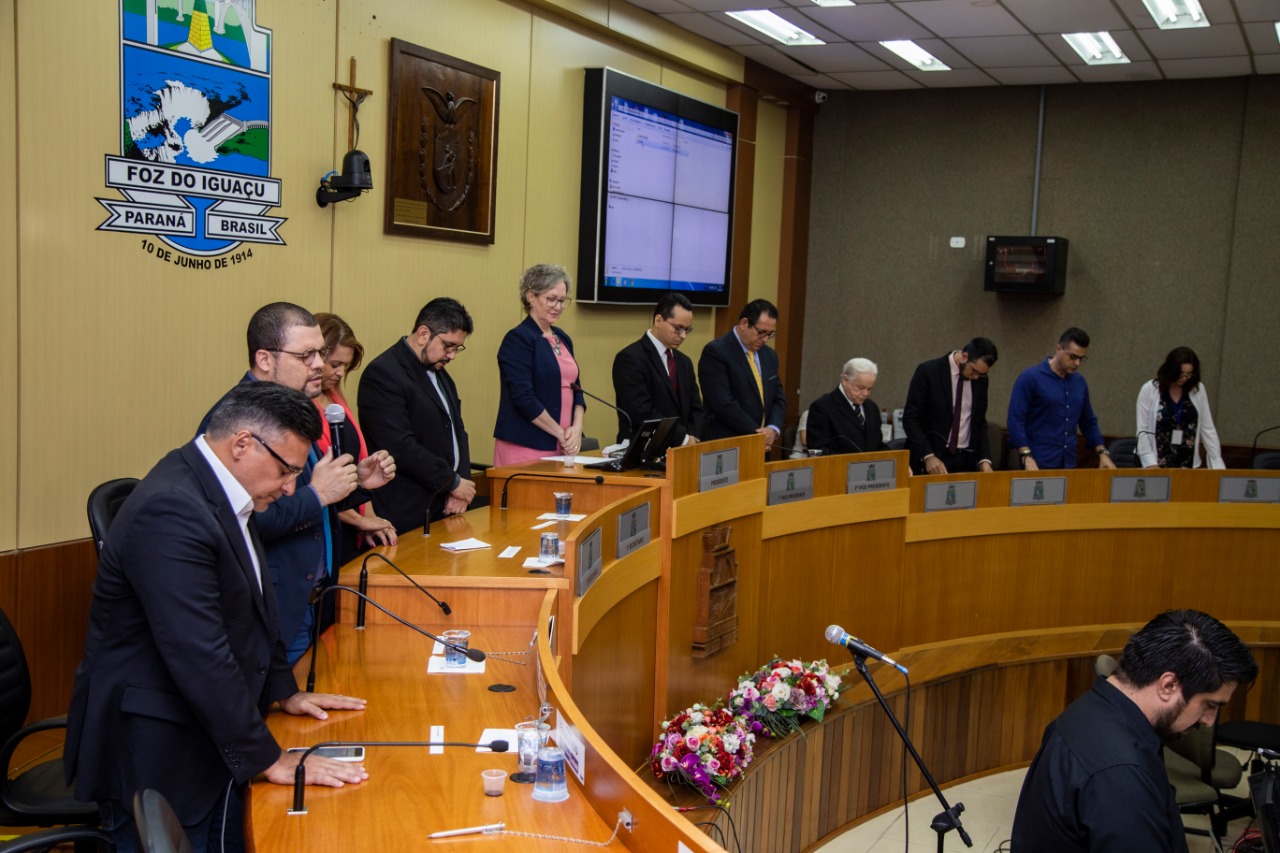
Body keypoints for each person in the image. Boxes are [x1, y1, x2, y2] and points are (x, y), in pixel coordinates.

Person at [66, 382, 370, 853]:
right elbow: (198, 651)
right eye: (288, 470)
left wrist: (282, 692)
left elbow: (252, 606)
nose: (292, 487)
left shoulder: (228, 489)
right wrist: (267, 757)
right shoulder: (172, 507)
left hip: (201, 728)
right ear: (243, 443)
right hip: (156, 746)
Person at [198, 302, 396, 664]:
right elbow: (241, 523)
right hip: (272, 603)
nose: (319, 365)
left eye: (319, 354)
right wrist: (318, 493)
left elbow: (308, 502)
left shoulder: (286, 412)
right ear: (264, 359)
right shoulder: (235, 424)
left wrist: (358, 485)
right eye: (307, 356)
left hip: (309, 597)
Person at [1012, 609, 1258, 852]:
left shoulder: (1090, 710)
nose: (1209, 720)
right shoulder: (1122, 777)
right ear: (1169, 685)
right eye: (1210, 705)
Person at [359, 298, 476, 532]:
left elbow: (458, 432)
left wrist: (461, 487)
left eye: (457, 348)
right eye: (448, 346)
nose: (452, 355)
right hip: (407, 509)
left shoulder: (441, 374)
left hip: (446, 504)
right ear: (423, 334)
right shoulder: (383, 373)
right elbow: (400, 446)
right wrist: (452, 483)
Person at [313, 312, 397, 565]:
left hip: (351, 521)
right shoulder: (300, 404)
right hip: (326, 525)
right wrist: (360, 521)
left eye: (345, 366)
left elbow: (357, 462)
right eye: (335, 364)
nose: (340, 373)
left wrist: (371, 519)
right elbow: (318, 485)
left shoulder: (334, 396)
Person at [493, 264, 586, 466]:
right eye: (551, 299)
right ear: (530, 297)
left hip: (564, 444)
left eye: (562, 301)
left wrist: (577, 429)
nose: (558, 306)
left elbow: (577, 388)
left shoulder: (563, 338)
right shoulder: (518, 339)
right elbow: (523, 397)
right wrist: (561, 434)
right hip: (526, 446)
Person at [1007, 327, 1116, 471]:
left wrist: (1102, 453)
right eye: (1073, 357)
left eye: (1082, 359)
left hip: (1068, 461)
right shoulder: (1030, 378)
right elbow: (1015, 419)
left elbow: (1088, 421)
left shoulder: (1080, 383)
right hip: (1037, 461)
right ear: (1059, 349)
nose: (1077, 363)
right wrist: (1025, 455)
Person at [611, 292, 704, 447]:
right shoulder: (630, 359)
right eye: (678, 328)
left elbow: (697, 409)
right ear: (659, 320)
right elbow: (642, 413)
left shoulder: (684, 362)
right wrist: (683, 439)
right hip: (645, 450)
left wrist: (692, 437)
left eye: (687, 330)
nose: (683, 336)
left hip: (685, 450)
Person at [902, 338, 998, 475]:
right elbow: (910, 419)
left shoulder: (981, 379)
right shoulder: (929, 371)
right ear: (964, 357)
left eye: (981, 374)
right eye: (974, 371)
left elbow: (979, 421)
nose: (976, 377)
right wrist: (928, 456)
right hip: (932, 459)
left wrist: (984, 460)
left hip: (965, 459)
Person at [698, 299, 787, 446]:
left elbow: (778, 397)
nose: (765, 339)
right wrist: (757, 434)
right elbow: (723, 404)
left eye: (770, 334)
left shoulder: (769, 355)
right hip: (727, 443)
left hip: (761, 445)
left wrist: (772, 429)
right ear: (744, 323)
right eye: (761, 332)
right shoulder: (716, 352)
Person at [1136, 346, 1225, 469]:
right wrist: (1150, 463)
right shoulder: (1150, 389)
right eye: (1180, 374)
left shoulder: (1197, 390)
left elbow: (1208, 428)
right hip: (1157, 462)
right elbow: (1142, 430)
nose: (1184, 378)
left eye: (1188, 374)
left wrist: (1217, 463)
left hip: (1188, 462)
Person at [805, 358, 883, 455]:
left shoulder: (872, 408)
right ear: (845, 380)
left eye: (869, 389)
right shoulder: (822, 407)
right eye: (861, 388)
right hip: (838, 468)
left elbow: (878, 445)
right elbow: (818, 449)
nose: (865, 394)